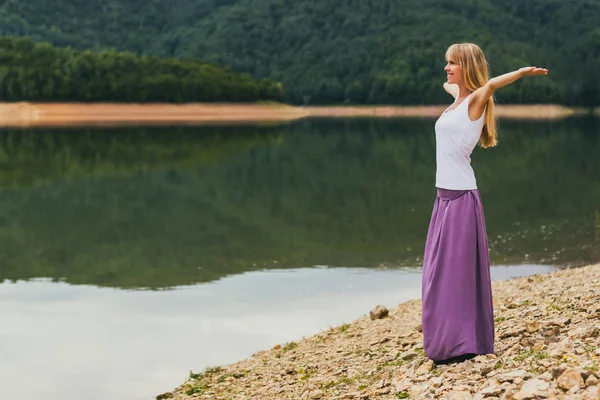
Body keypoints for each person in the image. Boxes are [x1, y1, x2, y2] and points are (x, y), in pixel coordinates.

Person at [421, 43, 548, 364]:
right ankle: (446, 339)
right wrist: (455, 85)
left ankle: (462, 343)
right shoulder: (458, 100)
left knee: (456, 275)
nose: (447, 68)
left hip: (462, 198)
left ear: (467, 66)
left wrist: (520, 73)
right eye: (446, 62)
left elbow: (490, 85)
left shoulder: (477, 101)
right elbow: (449, 85)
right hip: (443, 198)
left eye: (453, 63)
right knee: (438, 275)